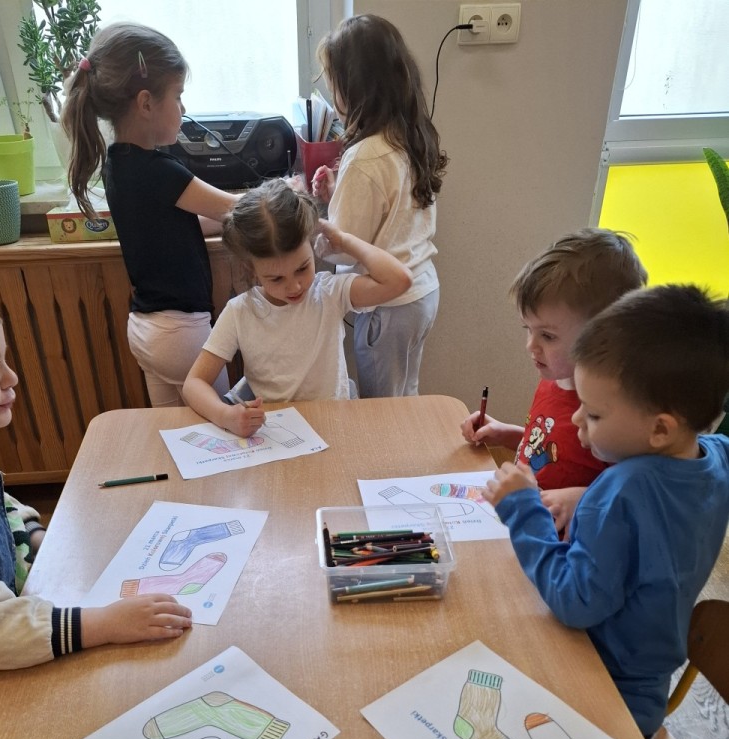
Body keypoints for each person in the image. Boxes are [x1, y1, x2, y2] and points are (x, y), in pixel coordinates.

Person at [0, 275, 192, 732]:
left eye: (4, 360)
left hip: (18, 619)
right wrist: (104, 624)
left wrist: (34, 534)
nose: (12, 378)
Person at [483, 283, 729, 739]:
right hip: (649, 685)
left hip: (599, 688)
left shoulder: (619, 495)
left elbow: (574, 602)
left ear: (660, 429)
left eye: (593, 414)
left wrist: (522, 510)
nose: (577, 420)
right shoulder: (716, 455)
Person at [62, 23, 241, 409]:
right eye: (178, 95)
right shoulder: (161, 171)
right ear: (146, 104)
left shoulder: (118, 164)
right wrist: (290, 190)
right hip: (182, 333)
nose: (184, 109)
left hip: (147, 329)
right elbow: (236, 208)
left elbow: (184, 223)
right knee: (225, 431)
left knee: (172, 434)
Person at [182, 179, 412, 436]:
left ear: (312, 246)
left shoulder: (330, 293)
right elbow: (194, 383)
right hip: (277, 434)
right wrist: (225, 415)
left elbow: (399, 280)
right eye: (276, 279)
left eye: (302, 268)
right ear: (252, 269)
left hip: (332, 425)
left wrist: (344, 240)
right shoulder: (240, 312)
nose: (294, 287)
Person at [461, 229, 648, 533]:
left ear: (604, 336)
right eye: (528, 329)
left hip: (569, 546)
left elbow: (641, 496)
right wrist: (507, 434)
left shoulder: (611, 411)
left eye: (547, 336)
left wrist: (582, 499)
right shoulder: (554, 378)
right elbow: (554, 451)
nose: (531, 346)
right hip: (528, 527)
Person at [311, 14, 446, 399]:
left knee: (380, 410)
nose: (333, 96)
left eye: (334, 84)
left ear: (353, 87)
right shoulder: (409, 135)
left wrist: (319, 227)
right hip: (422, 291)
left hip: (389, 307)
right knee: (405, 399)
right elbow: (392, 213)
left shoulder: (365, 156)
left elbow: (342, 246)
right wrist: (339, 194)